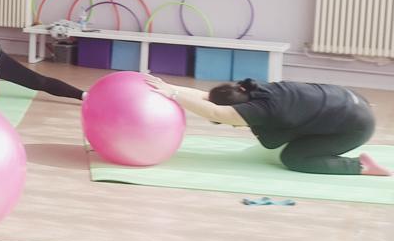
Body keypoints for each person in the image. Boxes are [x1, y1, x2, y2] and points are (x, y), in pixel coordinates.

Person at [145, 76, 391, 176]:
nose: (234, 125)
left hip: (357, 127)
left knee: (293, 158)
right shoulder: (254, 90)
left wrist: (175, 94)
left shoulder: (262, 110)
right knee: (284, 136)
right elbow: (207, 98)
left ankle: (360, 166)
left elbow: (215, 111)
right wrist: (167, 87)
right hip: (354, 102)